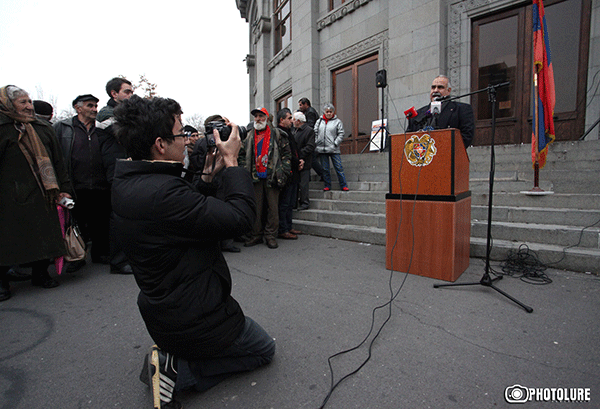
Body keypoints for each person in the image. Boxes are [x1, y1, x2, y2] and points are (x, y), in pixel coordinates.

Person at [111, 95, 274, 408]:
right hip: (196, 316)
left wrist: (209, 176)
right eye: (179, 134)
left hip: (164, 308)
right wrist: (231, 163)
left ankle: (173, 360)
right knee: (263, 349)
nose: (187, 141)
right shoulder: (163, 193)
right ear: (160, 144)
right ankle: (178, 372)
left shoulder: (130, 181)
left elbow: (186, 215)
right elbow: (240, 219)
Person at [0, 85, 74, 301]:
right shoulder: (2, 129)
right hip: (9, 197)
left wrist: (65, 189)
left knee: (45, 236)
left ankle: (40, 274)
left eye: (29, 101)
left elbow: (58, 161)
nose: (29, 106)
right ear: (7, 103)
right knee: (7, 240)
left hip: (45, 194)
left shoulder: (42, 128)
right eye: (22, 102)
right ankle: (2, 282)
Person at [53, 94, 110, 271]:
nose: (94, 109)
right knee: (76, 223)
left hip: (100, 185)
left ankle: (100, 254)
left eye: (95, 106)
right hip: (76, 185)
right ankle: (77, 257)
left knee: (100, 222)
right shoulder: (63, 128)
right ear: (78, 108)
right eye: (90, 106)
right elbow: (56, 157)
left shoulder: (101, 130)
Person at [96, 77, 135, 274]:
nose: (131, 95)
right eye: (127, 91)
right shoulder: (106, 114)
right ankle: (118, 262)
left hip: (122, 168)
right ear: (114, 93)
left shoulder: (124, 113)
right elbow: (124, 133)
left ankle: (116, 256)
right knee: (118, 215)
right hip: (115, 170)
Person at [239, 107, 291, 249]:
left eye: (261, 116)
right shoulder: (249, 136)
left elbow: (287, 155)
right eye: (256, 116)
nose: (258, 119)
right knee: (256, 208)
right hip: (254, 177)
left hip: (272, 176)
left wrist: (284, 172)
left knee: (273, 209)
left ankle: (270, 236)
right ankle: (256, 235)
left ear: (267, 118)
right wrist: (245, 170)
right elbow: (241, 155)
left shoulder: (277, 134)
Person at [406, 75, 475, 148]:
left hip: (447, 155)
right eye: (433, 87)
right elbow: (407, 139)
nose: (435, 90)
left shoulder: (462, 109)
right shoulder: (418, 114)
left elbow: (466, 136)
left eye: (440, 87)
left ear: (448, 91)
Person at [276, 108, 301, 239]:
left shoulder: (289, 132)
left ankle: (289, 226)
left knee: (291, 202)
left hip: (294, 172)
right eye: (289, 118)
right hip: (286, 172)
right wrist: (297, 162)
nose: (292, 121)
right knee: (284, 203)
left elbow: (295, 149)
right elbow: (286, 154)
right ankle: (282, 229)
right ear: (282, 120)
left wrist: (300, 160)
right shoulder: (279, 133)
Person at [314, 103, 349, 192]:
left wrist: (335, 143)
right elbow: (315, 132)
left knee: (339, 167)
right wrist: (316, 142)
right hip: (322, 149)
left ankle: (343, 185)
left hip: (334, 149)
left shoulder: (337, 122)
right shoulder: (319, 121)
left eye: (330, 112)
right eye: (327, 112)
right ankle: (327, 185)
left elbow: (341, 133)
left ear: (333, 112)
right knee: (325, 169)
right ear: (324, 112)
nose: (329, 113)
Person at [292, 111, 315, 210]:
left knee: (304, 184)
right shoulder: (294, 130)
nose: (292, 122)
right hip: (296, 161)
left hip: (305, 161)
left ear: (298, 121)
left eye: (293, 120)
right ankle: (295, 202)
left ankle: (304, 202)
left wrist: (300, 156)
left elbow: (310, 146)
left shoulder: (309, 130)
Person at [298, 97, 323, 181]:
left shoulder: (310, 112)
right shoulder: (309, 112)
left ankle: (323, 174)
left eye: (301, 105)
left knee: (312, 159)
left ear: (306, 104)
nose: (300, 107)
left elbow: (310, 125)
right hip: (312, 138)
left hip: (312, 139)